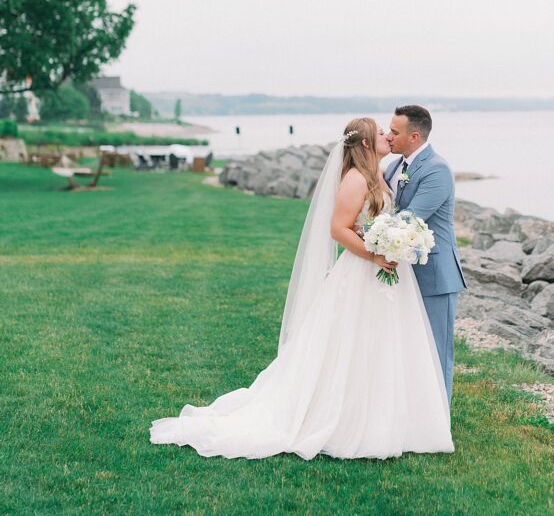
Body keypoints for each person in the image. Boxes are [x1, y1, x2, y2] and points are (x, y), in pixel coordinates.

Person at [149, 117, 454, 460]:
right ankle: (348, 419)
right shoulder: (355, 179)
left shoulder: (379, 174)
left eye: (390, 132)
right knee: (353, 344)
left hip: (384, 274)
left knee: (382, 344)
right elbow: (338, 229)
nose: (387, 135)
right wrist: (374, 254)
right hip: (362, 271)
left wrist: (392, 246)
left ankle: (389, 417)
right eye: (381, 133)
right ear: (366, 144)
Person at [386, 105, 467, 401]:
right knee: (408, 349)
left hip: (434, 275)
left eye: (395, 132)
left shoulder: (437, 170)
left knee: (435, 350)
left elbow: (409, 220)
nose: (388, 136)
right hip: (404, 271)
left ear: (414, 136)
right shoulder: (395, 167)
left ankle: (437, 423)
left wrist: (365, 235)